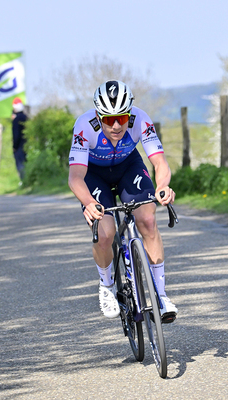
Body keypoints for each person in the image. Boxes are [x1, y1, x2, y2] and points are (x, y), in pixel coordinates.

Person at [68, 80, 177, 323]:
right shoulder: (85, 126)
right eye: (108, 119)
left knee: (147, 220)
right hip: (94, 175)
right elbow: (75, 177)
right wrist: (87, 202)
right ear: (98, 115)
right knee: (105, 234)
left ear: (130, 113)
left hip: (129, 167)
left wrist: (162, 186)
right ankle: (106, 285)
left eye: (122, 118)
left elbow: (159, 162)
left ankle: (161, 296)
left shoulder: (141, 119)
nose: (116, 125)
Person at [11, 97, 28, 182]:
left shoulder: (16, 119)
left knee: (21, 164)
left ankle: (23, 181)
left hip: (19, 146)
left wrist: (14, 146)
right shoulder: (25, 117)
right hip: (27, 145)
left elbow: (16, 134)